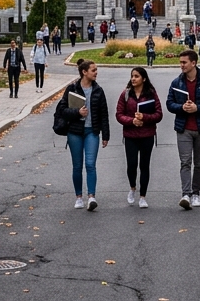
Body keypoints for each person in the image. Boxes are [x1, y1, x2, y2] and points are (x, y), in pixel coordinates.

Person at [166, 50, 200, 210]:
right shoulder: (177, 83)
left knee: (199, 163)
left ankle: (196, 194)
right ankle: (186, 194)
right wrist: (181, 107)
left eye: (184, 62)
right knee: (185, 162)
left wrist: (197, 108)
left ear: (193, 63)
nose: (181, 65)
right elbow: (169, 103)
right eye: (180, 62)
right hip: (183, 128)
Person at [55, 59, 110, 210]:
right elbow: (62, 111)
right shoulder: (72, 89)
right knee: (77, 166)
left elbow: (104, 114)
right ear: (84, 72)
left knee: (90, 164)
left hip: (92, 131)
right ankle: (79, 197)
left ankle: (91, 197)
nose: (96, 72)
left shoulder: (98, 90)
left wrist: (106, 135)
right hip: (75, 132)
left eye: (96, 69)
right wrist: (77, 112)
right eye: (93, 70)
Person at [115, 67, 163, 209]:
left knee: (144, 165)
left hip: (147, 134)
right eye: (132, 76)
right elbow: (119, 114)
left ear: (144, 78)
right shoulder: (126, 94)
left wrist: (145, 118)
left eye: (136, 76)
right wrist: (132, 121)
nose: (133, 79)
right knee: (131, 165)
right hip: (130, 135)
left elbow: (159, 114)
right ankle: (132, 187)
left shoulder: (151, 94)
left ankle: (143, 196)